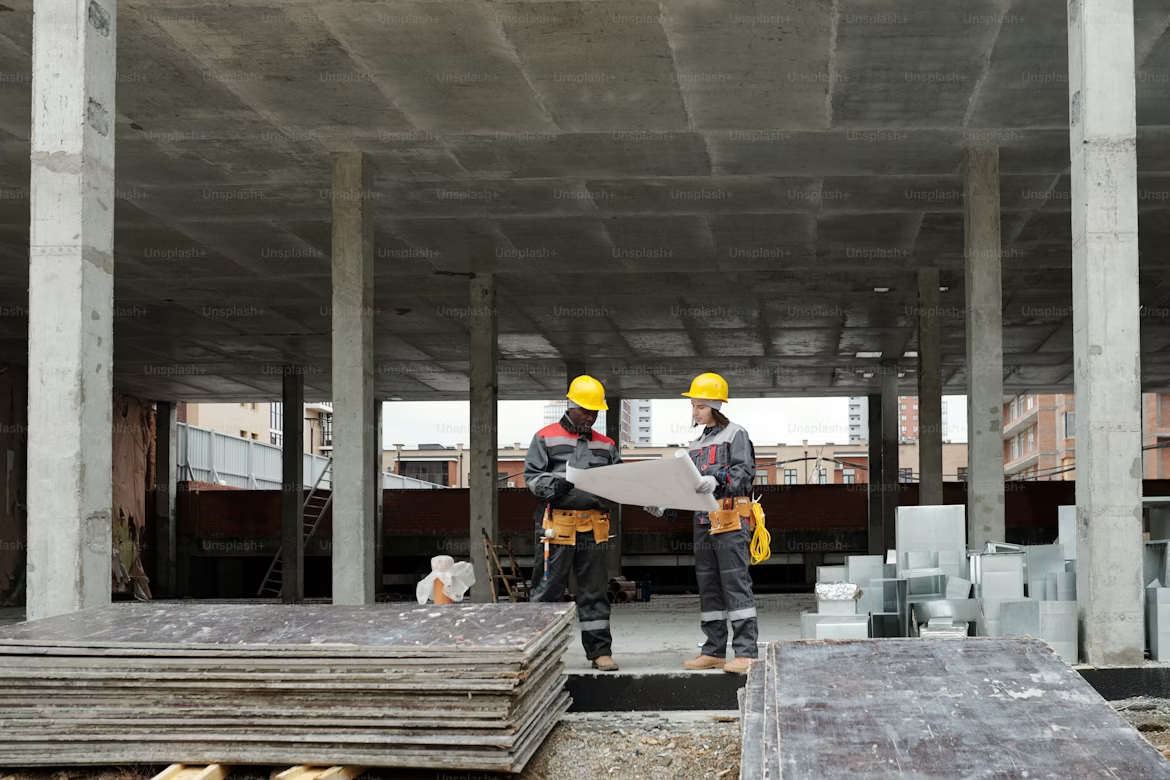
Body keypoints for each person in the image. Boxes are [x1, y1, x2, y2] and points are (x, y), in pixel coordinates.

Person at [525, 374, 621, 671]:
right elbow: (532, 477)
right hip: (557, 527)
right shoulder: (545, 437)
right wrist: (554, 487)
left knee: (594, 591)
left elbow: (619, 482)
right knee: (547, 592)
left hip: (593, 527)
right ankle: (541, 655)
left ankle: (599, 652)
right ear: (571, 405)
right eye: (586, 411)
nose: (591, 417)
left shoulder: (606, 445)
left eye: (595, 412)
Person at [680, 372, 758, 674]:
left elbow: (743, 475)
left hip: (730, 518)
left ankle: (746, 652)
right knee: (709, 587)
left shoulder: (735, 434)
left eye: (700, 406)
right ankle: (713, 651)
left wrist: (718, 479)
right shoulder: (696, 443)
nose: (695, 411)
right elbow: (690, 484)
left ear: (715, 405)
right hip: (703, 521)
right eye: (693, 406)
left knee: (735, 583)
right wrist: (665, 502)